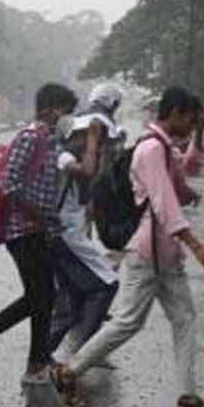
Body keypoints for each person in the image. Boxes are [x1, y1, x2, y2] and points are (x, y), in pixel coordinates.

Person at [53, 86, 204, 407]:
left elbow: (186, 171)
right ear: (174, 113)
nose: (191, 126)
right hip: (148, 252)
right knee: (128, 322)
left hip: (166, 253)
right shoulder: (150, 149)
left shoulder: (164, 146)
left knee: (184, 319)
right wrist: (197, 246)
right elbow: (164, 202)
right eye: (190, 120)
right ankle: (67, 370)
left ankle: (188, 396)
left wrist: (199, 135)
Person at [0, 84, 78, 384]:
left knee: (44, 297)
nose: (68, 117)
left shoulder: (51, 141)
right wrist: (40, 214)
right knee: (40, 296)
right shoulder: (29, 138)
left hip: (39, 229)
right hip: (21, 231)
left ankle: (36, 363)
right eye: (65, 111)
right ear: (49, 109)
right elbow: (9, 184)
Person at [45, 89, 124, 367]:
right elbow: (87, 170)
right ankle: (76, 352)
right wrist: (90, 139)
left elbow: (91, 185)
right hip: (64, 235)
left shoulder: (76, 154)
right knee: (106, 285)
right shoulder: (62, 156)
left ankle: (46, 358)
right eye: (86, 137)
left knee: (72, 302)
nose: (96, 144)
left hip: (72, 234)